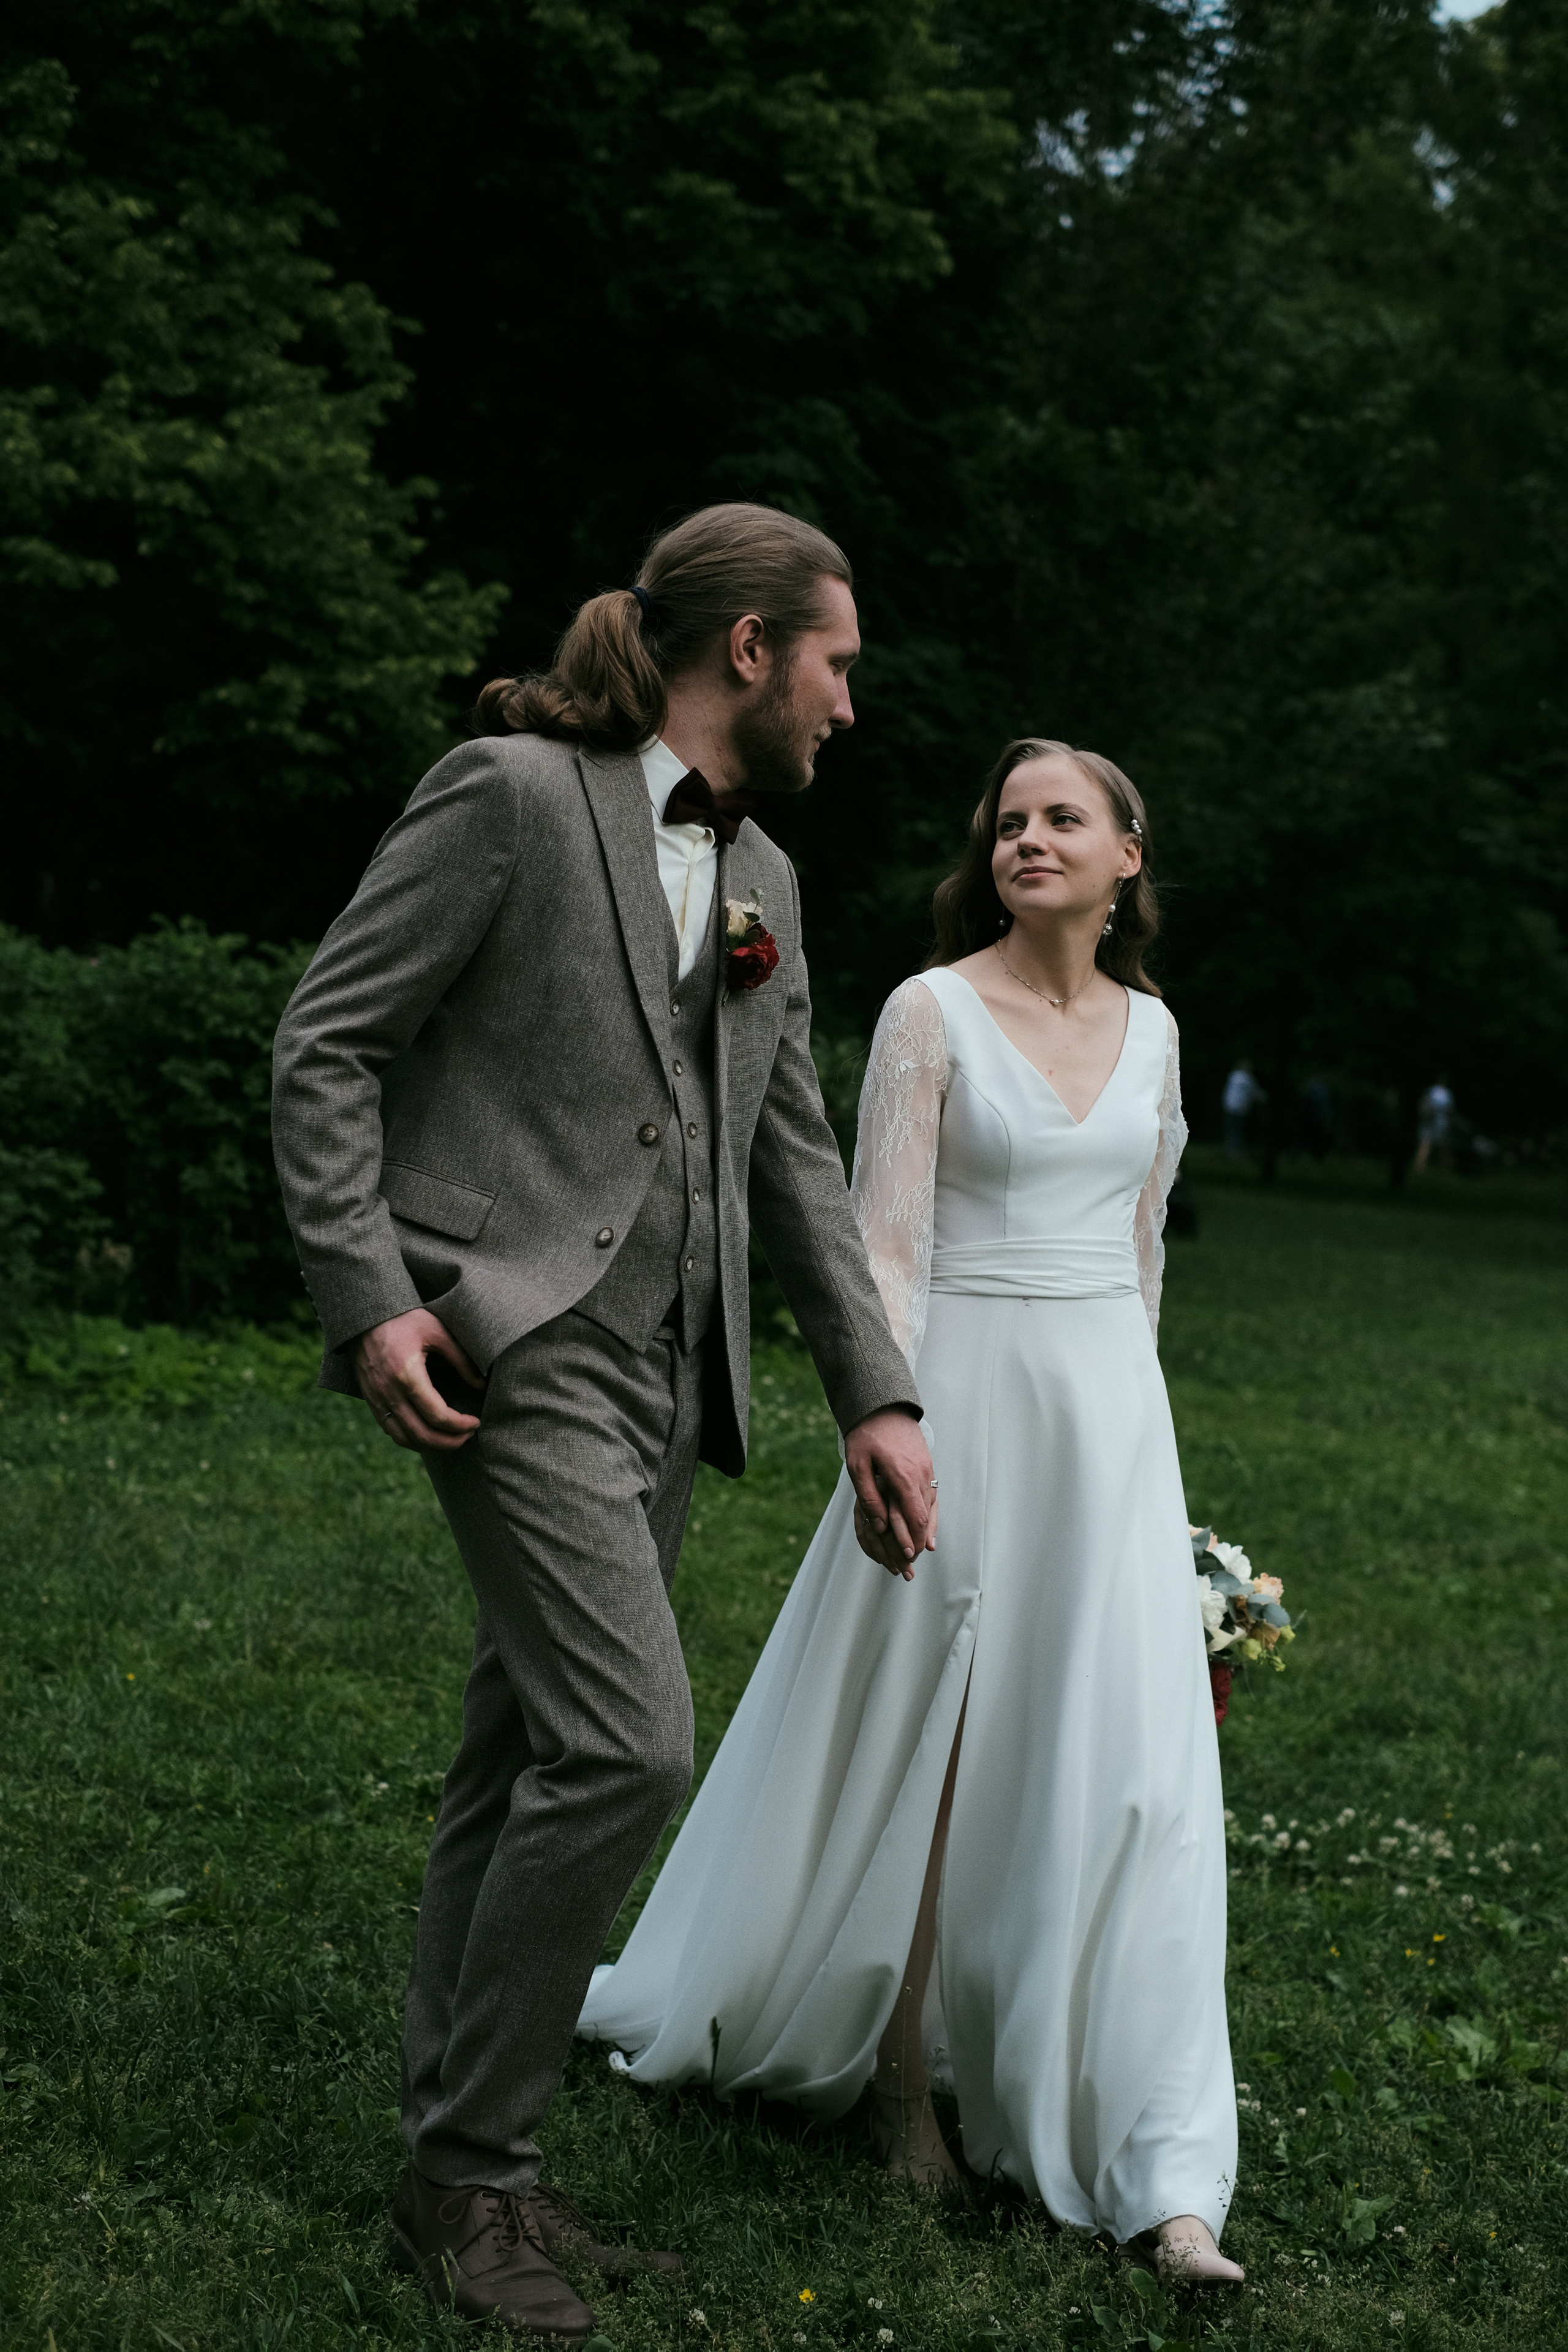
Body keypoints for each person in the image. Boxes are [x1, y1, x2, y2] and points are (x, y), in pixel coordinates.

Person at [271, 503, 935, 2339]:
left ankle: (461, 2157)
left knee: (523, 1755)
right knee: (630, 1745)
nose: (847, 700)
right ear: (748, 652)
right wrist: (373, 1292)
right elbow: (325, 1040)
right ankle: (471, 2167)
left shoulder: (767, 883)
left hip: (667, 1372)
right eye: (836, 660)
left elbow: (790, 1155)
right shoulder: (507, 793)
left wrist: (870, 1391)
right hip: (510, 1341)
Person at [579, 737, 1242, 2285]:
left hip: (1105, 1425)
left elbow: (1140, 1257)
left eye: (1059, 817)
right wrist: (888, 1433)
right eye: (1005, 821)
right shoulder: (929, 1008)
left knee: (1127, 1761)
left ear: (1125, 853)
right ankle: (895, 2084)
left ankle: (1161, 2166)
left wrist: (1131, 1449)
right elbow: (879, 1248)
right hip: (959, 1399)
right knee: (932, 1740)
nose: (1025, 839)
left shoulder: (1150, 1033)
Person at [1222, 1060, 1264, 1157]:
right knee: (1237, 1130)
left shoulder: (1233, 1076)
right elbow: (1255, 1092)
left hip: (1230, 1106)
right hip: (1239, 1109)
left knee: (1231, 1129)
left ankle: (1230, 1149)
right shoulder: (1246, 1078)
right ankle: (1234, 1151)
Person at [1414, 1078, 1454, 1173]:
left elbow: (1423, 1106)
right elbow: (1450, 1110)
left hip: (1429, 1122)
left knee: (1425, 1144)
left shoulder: (1430, 1091)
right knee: (1443, 1148)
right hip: (1442, 1123)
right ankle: (1445, 1170)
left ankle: (1419, 1167)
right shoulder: (1448, 1094)